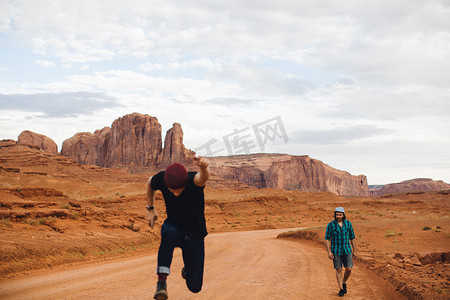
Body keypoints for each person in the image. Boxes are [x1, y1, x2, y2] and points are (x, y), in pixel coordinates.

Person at [146, 156, 210, 300]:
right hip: (174, 226)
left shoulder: (192, 181)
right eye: (171, 190)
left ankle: (188, 268)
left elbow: (203, 178)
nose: (175, 193)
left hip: (194, 234)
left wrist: (204, 168)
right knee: (168, 232)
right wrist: (150, 208)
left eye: (178, 190)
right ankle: (161, 283)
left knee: (195, 287)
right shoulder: (163, 178)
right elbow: (150, 182)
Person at [325, 207, 357, 297]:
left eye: (340, 214)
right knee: (339, 269)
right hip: (336, 251)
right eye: (337, 214)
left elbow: (352, 237)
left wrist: (355, 250)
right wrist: (328, 252)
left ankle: (343, 282)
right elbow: (327, 239)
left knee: (349, 269)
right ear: (335, 215)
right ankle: (341, 289)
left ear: (343, 215)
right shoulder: (331, 225)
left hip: (347, 250)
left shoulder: (348, 224)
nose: (338, 216)